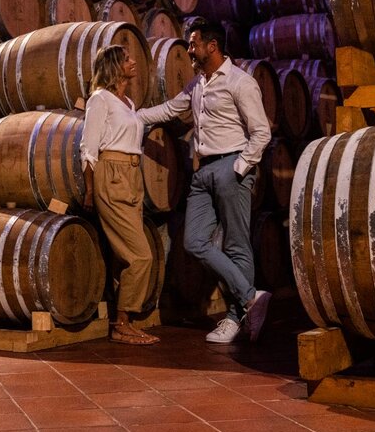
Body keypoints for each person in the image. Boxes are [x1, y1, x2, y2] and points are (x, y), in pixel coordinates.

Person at [137, 19, 272, 343]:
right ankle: (250, 297)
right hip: (203, 171)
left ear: (212, 46)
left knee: (236, 244)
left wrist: (239, 167)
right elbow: (171, 109)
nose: (189, 49)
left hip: (230, 166)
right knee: (194, 241)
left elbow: (262, 132)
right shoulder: (199, 84)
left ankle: (234, 317)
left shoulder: (240, 82)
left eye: (194, 43)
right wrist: (133, 116)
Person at [81, 44, 160, 345]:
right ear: (115, 66)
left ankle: (124, 320)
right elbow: (88, 147)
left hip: (132, 174)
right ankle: (121, 324)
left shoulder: (128, 102)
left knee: (124, 257)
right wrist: (90, 189)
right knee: (141, 255)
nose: (133, 61)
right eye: (126, 59)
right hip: (111, 174)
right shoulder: (100, 99)